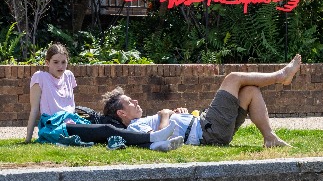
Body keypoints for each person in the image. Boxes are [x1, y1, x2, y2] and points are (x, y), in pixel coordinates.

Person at [103, 55, 302, 148]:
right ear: (121, 113)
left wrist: (181, 116)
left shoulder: (141, 121)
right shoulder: (135, 128)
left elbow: (170, 131)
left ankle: (270, 138)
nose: (135, 101)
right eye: (129, 102)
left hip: (205, 128)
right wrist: (165, 116)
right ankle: (281, 76)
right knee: (233, 78)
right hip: (208, 131)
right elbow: (158, 138)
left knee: (250, 90)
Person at [25, 43, 183, 151]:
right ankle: (152, 137)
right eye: (55, 62)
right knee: (107, 129)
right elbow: (34, 109)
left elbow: (70, 105)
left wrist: (76, 119)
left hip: (73, 120)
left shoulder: (69, 76)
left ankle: (155, 145)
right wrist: (28, 139)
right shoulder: (40, 77)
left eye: (63, 62)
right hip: (55, 125)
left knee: (109, 136)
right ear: (47, 62)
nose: (60, 66)